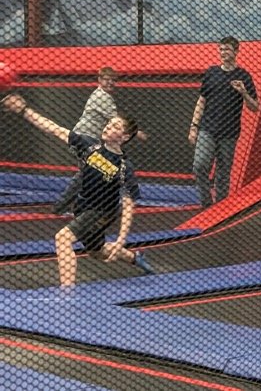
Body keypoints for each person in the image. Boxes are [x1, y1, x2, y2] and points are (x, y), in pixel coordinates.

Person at [2, 94, 155, 288]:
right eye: (109, 123)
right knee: (97, 251)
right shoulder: (89, 146)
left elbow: (128, 204)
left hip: (102, 212)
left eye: (115, 126)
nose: (108, 127)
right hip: (82, 207)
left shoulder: (124, 167)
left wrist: (121, 239)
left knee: (63, 238)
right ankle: (135, 257)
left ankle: (68, 293)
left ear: (124, 137)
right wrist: (24, 110)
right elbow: (54, 129)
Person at [53, 66, 147, 215]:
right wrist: (137, 133)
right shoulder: (102, 97)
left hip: (90, 140)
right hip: (84, 139)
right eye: (106, 80)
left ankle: (74, 206)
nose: (110, 83)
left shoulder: (103, 96)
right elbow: (116, 119)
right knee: (85, 174)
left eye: (113, 80)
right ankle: (64, 206)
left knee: (88, 173)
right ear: (99, 80)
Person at [188, 36, 258, 208]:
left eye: (226, 49)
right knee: (200, 165)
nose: (223, 52)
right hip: (207, 129)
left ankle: (220, 207)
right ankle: (206, 203)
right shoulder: (212, 72)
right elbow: (201, 101)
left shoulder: (243, 76)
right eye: (221, 49)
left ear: (236, 51)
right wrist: (194, 126)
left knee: (223, 172)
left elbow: (255, 107)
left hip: (230, 132)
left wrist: (244, 92)